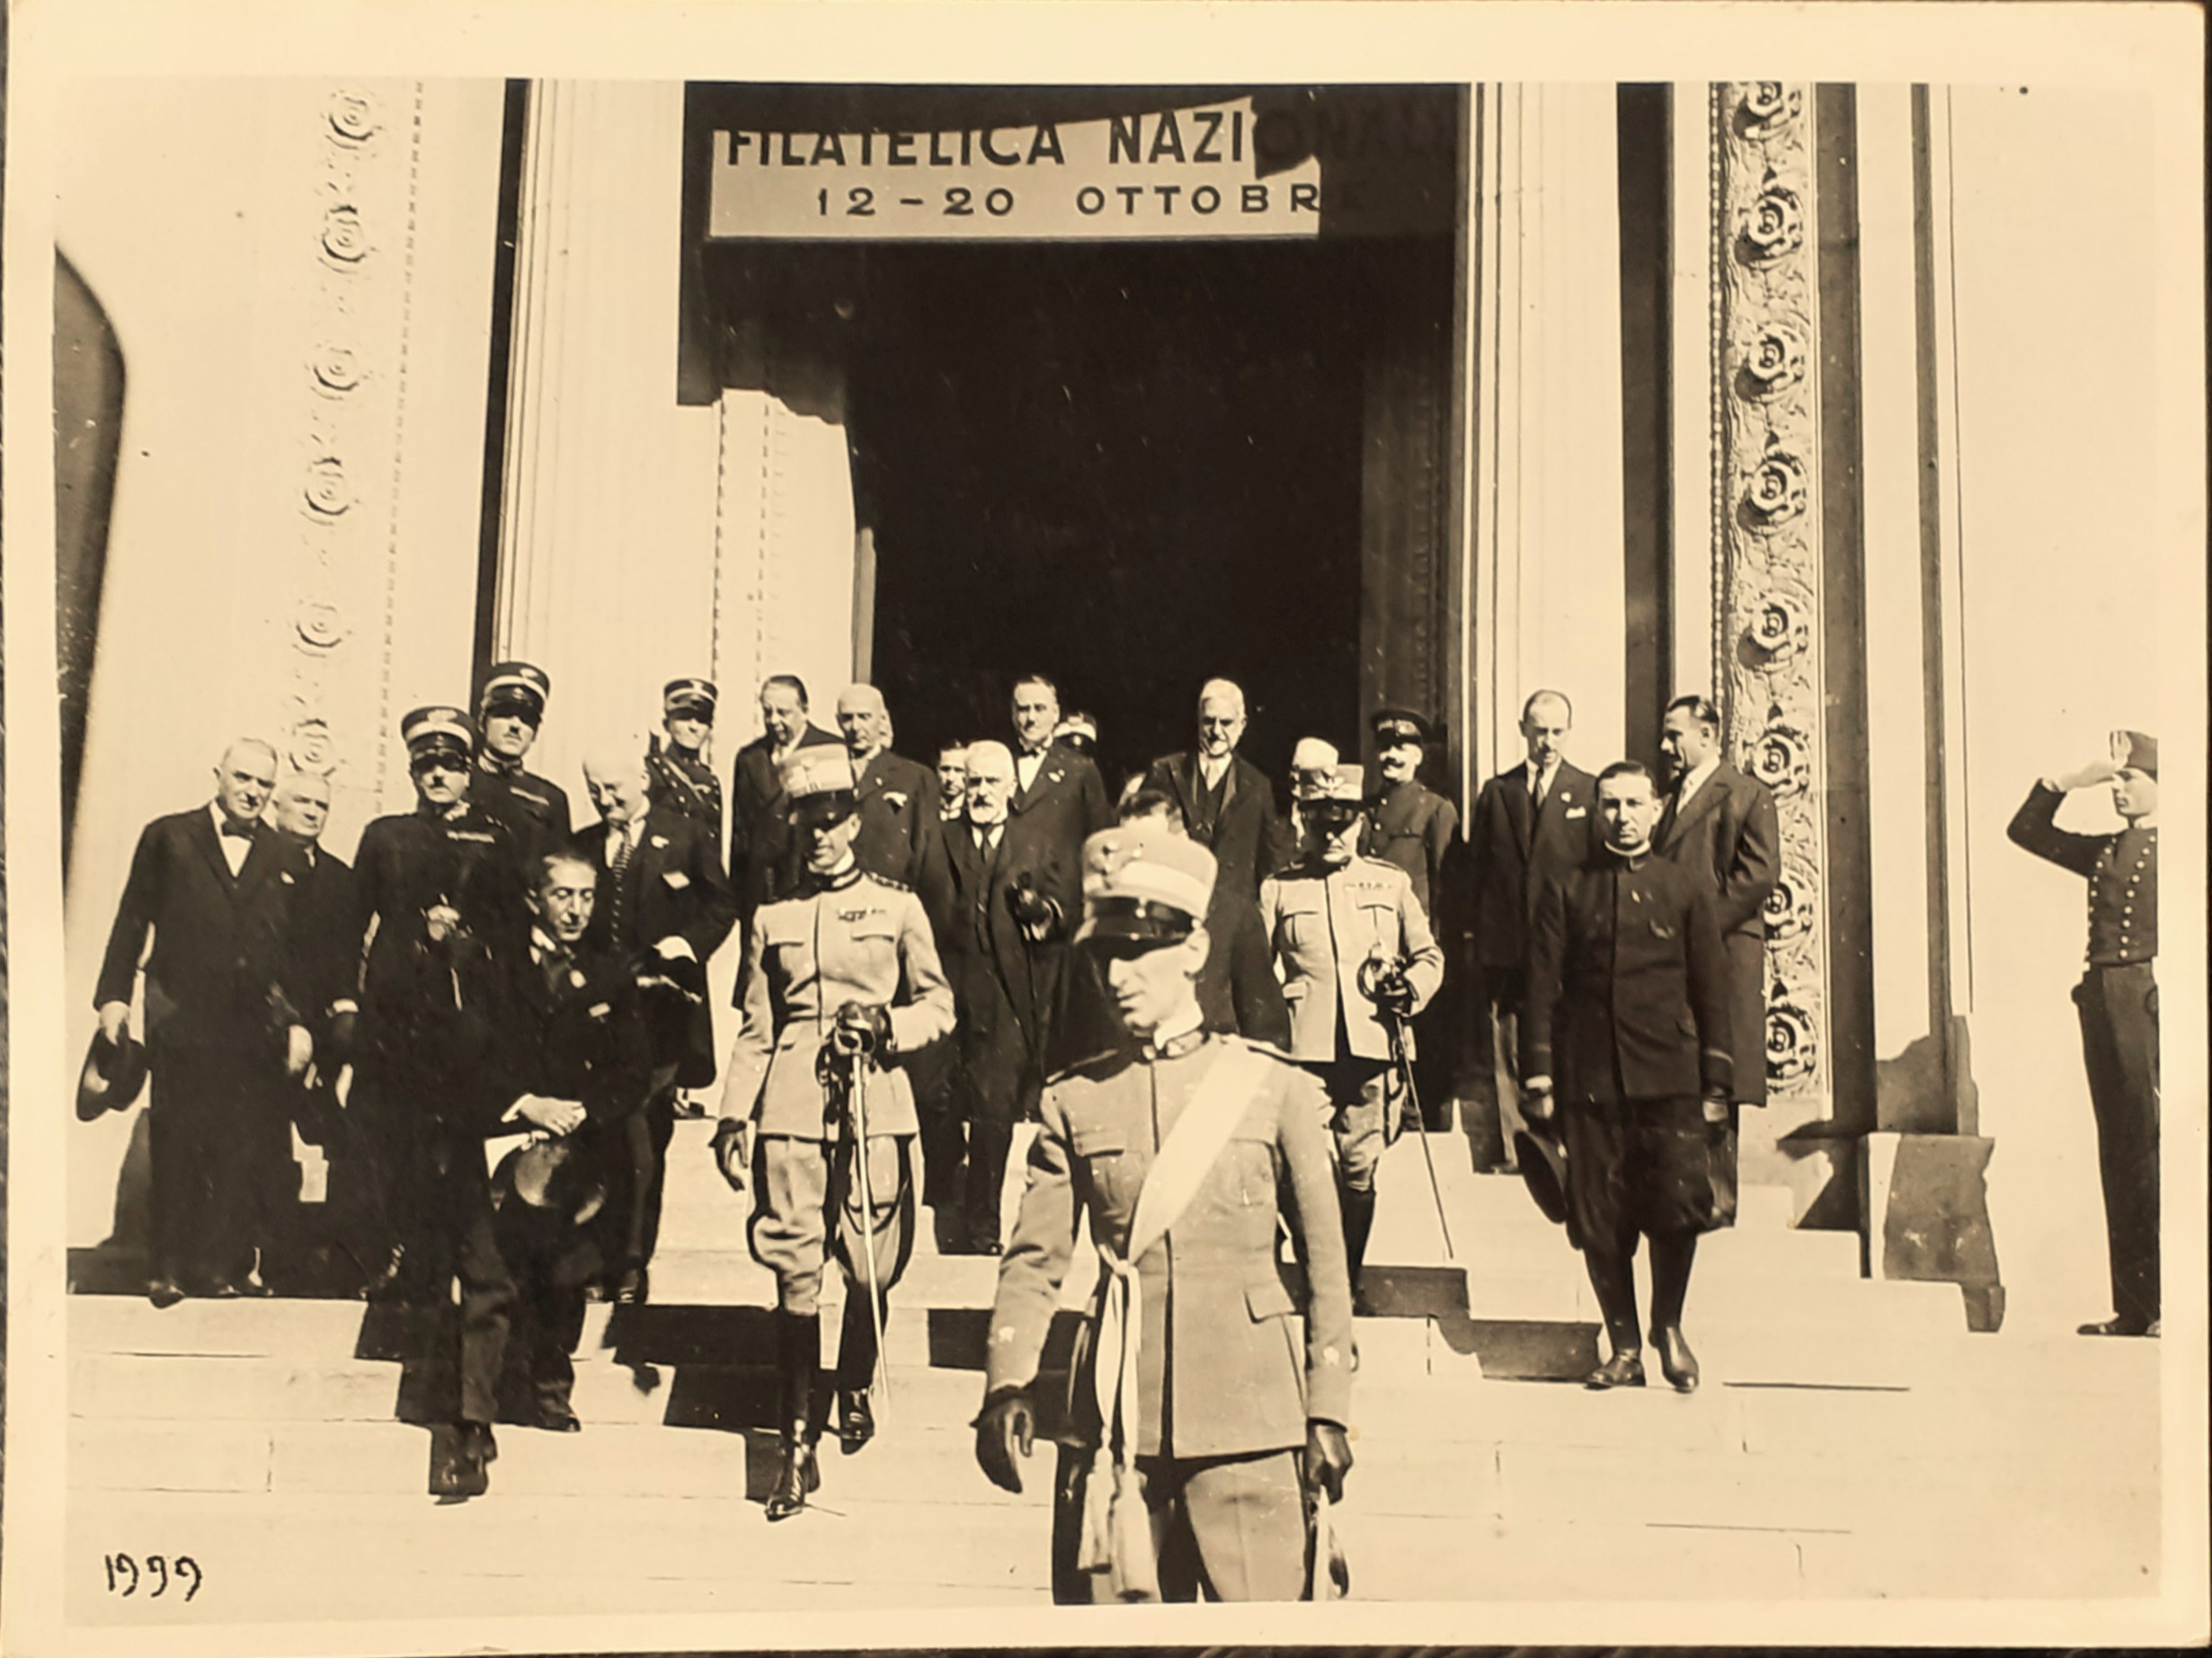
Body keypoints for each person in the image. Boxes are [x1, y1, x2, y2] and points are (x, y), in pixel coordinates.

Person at [973, 822, 1355, 1603]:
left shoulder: (1268, 1086)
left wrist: (1329, 1411)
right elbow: (1034, 1259)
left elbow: (1326, 1268)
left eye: (1138, 948)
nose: (1117, 973)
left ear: (1193, 949)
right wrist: (1007, 1383)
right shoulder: (1073, 1098)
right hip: (1117, 1423)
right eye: (1103, 952)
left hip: (1252, 1422)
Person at [712, 747, 955, 1519]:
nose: (817, 838)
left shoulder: (898, 906)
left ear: (852, 821)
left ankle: (852, 1378)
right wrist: (731, 1112)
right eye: (804, 826)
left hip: (875, 1101)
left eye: (829, 823)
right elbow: (756, 1027)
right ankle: (796, 1443)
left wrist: (886, 1022)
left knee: (872, 1265)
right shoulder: (772, 916)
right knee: (793, 1272)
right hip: (789, 1109)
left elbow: (939, 1007)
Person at [422, 852, 653, 1498]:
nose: (575, 908)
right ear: (534, 899)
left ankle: (551, 1389)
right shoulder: (489, 965)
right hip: (498, 1139)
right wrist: (526, 1105)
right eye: (561, 895)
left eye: (586, 895)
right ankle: (473, 1427)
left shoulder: (608, 972)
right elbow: (463, 1052)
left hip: (575, 1151)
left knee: (563, 1273)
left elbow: (633, 1068)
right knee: (489, 1280)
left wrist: (585, 1111)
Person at [1522, 761, 1733, 1393]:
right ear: (1597, 810)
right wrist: (1538, 1073)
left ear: (1653, 808)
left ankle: (1667, 1327)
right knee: (1597, 1214)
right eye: (1609, 804)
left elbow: (1711, 987)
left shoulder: (1684, 885)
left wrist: (1715, 1079)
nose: (1621, 816)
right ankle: (1622, 1345)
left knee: (1675, 1207)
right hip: (1589, 1077)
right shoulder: (1568, 888)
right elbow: (1539, 986)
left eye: (1633, 804)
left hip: (1668, 1074)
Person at [94, 739, 313, 1305]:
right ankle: (165, 1267)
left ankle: (216, 1269)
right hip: (182, 1015)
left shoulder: (283, 850)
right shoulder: (169, 836)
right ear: (217, 775)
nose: (251, 792)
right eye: (242, 778)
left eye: (263, 784)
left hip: (253, 1024)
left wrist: (295, 1022)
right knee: (178, 1138)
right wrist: (113, 997)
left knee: (237, 1144)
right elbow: (131, 917)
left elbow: (296, 950)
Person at [347, 707, 529, 1299]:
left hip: (464, 1015)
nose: (438, 776)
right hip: (396, 1012)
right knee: (389, 1134)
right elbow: (351, 923)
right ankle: (397, 1254)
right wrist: (345, 1002)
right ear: (411, 770)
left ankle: (456, 1259)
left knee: (451, 1141)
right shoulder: (385, 834)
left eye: (450, 764)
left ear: (468, 770)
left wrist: (467, 941)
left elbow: (511, 933)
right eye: (426, 764)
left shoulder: (496, 836)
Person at [1258, 761, 1444, 1305]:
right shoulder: (1278, 889)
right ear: (1305, 822)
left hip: (1372, 1046)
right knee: (1301, 1166)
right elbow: (1257, 971)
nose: (1333, 834)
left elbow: (1429, 956)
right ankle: (1318, 1268)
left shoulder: (1389, 882)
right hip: (1303, 1051)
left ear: (1362, 822)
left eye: (1344, 822)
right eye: (1321, 823)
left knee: (1360, 1170)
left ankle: (1345, 1281)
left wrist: (1408, 989)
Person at [572, 742, 740, 1301]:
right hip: (599, 1020)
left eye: (614, 787)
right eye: (595, 789)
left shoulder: (686, 835)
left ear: (641, 778)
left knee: (644, 1143)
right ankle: (593, 1260)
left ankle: (632, 1264)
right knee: (600, 1137)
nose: (606, 798)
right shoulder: (583, 845)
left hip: (664, 1018)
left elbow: (722, 906)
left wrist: (686, 945)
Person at [2006, 731, 2161, 1338]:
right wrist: (2068, 781)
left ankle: (2172, 1304)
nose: (2119, 789)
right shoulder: (2103, 852)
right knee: (2119, 1153)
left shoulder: (2182, 852)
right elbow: (2027, 832)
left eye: (2130, 778)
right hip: (2100, 999)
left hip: (2146, 997)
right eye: (2116, 779)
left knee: (2152, 1150)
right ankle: (2135, 1306)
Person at [934, 739, 1081, 1254]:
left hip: (1006, 996)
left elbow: (1063, 911)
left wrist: (1041, 913)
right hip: (945, 990)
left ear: (1012, 787)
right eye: (973, 781)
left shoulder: (1037, 842)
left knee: (994, 1113)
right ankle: (938, 1198)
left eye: (993, 782)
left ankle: (983, 1227)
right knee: (942, 1102)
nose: (981, 792)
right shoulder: (939, 836)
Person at [1051, 789, 1292, 1070]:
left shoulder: (1232, 910)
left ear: (1183, 842)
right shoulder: (1102, 919)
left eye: (1153, 845)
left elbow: (1265, 1024)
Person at [1461, 690, 1600, 1170]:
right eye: (1539, 730)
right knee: (1507, 1046)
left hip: (1565, 946)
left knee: (1563, 1042)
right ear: (1523, 729)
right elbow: (1477, 871)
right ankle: (1518, 1149)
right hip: (1507, 945)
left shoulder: (1589, 792)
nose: (1548, 741)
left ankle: (1566, 1143)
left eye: (1557, 731)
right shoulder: (1498, 792)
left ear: (1569, 731)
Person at [1654, 695, 1780, 1217]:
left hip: (1722, 955)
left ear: (1707, 735)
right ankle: (1683, 1198)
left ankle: (1719, 1205)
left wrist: (1695, 928)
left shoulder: (1747, 794)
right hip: (1673, 959)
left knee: (1717, 1078)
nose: (1665, 745)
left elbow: (1758, 875)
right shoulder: (1667, 800)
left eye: (1674, 734)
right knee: (1679, 1074)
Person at [266, 768, 371, 1289]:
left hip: (324, 1024)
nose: (311, 811)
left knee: (342, 1133)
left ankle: (338, 1260)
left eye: (321, 805)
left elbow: (346, 956)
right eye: (301, 801)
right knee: (262, 1141)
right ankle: (266, 1260)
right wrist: (285, 1022)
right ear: (276, 806)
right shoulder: (252, 865)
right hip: (260, 1022)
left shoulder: (338, 877)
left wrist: (341, 1015)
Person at [1141, 678, 1284, 901]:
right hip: (1174, 904)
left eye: (1226, 723)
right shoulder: (1165, 772)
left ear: (1242, 724)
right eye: (1209, 721)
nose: (1216, 731)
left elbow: (1270, 863)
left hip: (1231, 919)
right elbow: (1140, 839)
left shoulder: (1257, 785)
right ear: (1198, 720)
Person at [731, 673, 843, 914]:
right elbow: (741, 835)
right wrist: (738, 897)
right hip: (760, 892)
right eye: (767, 711)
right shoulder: (750, 757)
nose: (773, 720)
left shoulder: (830, 750)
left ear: (805, 709)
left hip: (810, 889)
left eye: (783, 712)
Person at [837, 682, 947, 901]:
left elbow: (926, 852)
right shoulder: (829, 772)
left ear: (883, 719)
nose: (856, 726)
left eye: (864, 717)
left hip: (889, 900)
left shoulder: (914, 777)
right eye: (848, 718)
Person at [470, 661, 573, 870]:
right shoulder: (459, 781)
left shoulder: (551, 798)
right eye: (505, 713)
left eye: (527, 719)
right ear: (483, 721)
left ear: (534, 733)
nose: (516, 726)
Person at [1008, 674, 1112, 860]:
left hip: (1058, 886)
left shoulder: (1081, 769)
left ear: (1055, 713)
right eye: (1023, 709)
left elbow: (1099, 838)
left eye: (1040, 708)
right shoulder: (1002, 763)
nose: (1031, 718)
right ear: (1013, 714)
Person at [644, 677, 725, 848]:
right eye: (684, 718)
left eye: (702, 720)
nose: (694, 727)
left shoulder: (710, 780)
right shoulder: (651, 771)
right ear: (666, 724)